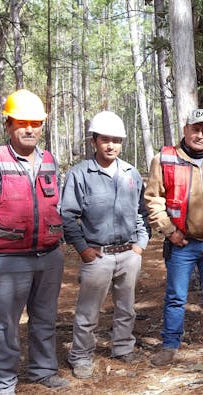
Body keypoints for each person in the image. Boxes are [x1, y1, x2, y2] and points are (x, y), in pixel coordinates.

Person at [0, 89, 68, 395]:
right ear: (8, 124)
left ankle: (43, 369)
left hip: (48, 256)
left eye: (35, 123)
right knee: (4, 326)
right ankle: (3, 385)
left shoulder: (50, 160)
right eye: (22, 122)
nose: (29, 129)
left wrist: (59, 245)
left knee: (45, 319)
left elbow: (57, 204)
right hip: (7, 260)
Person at [144, 108, 203, 366]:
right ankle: (170, 344)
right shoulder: (165, 158)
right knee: (176, 296)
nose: (199, 135)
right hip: (182, 244)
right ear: (185, 130)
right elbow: (153, 199)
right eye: (195, 129)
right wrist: (169, 230)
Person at [60, 111, 149, 379]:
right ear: (94, 141)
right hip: (97, 256)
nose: (111, 145)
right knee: (88, 311)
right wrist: (83, 249)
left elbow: (141, 213)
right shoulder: (79, 174)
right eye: (105, 140)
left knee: (126, 307)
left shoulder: (131, 173)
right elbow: (67, 216)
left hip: (128, 253)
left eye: (116, 140)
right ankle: (81, 356)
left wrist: (140, 245)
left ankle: (123, 347)